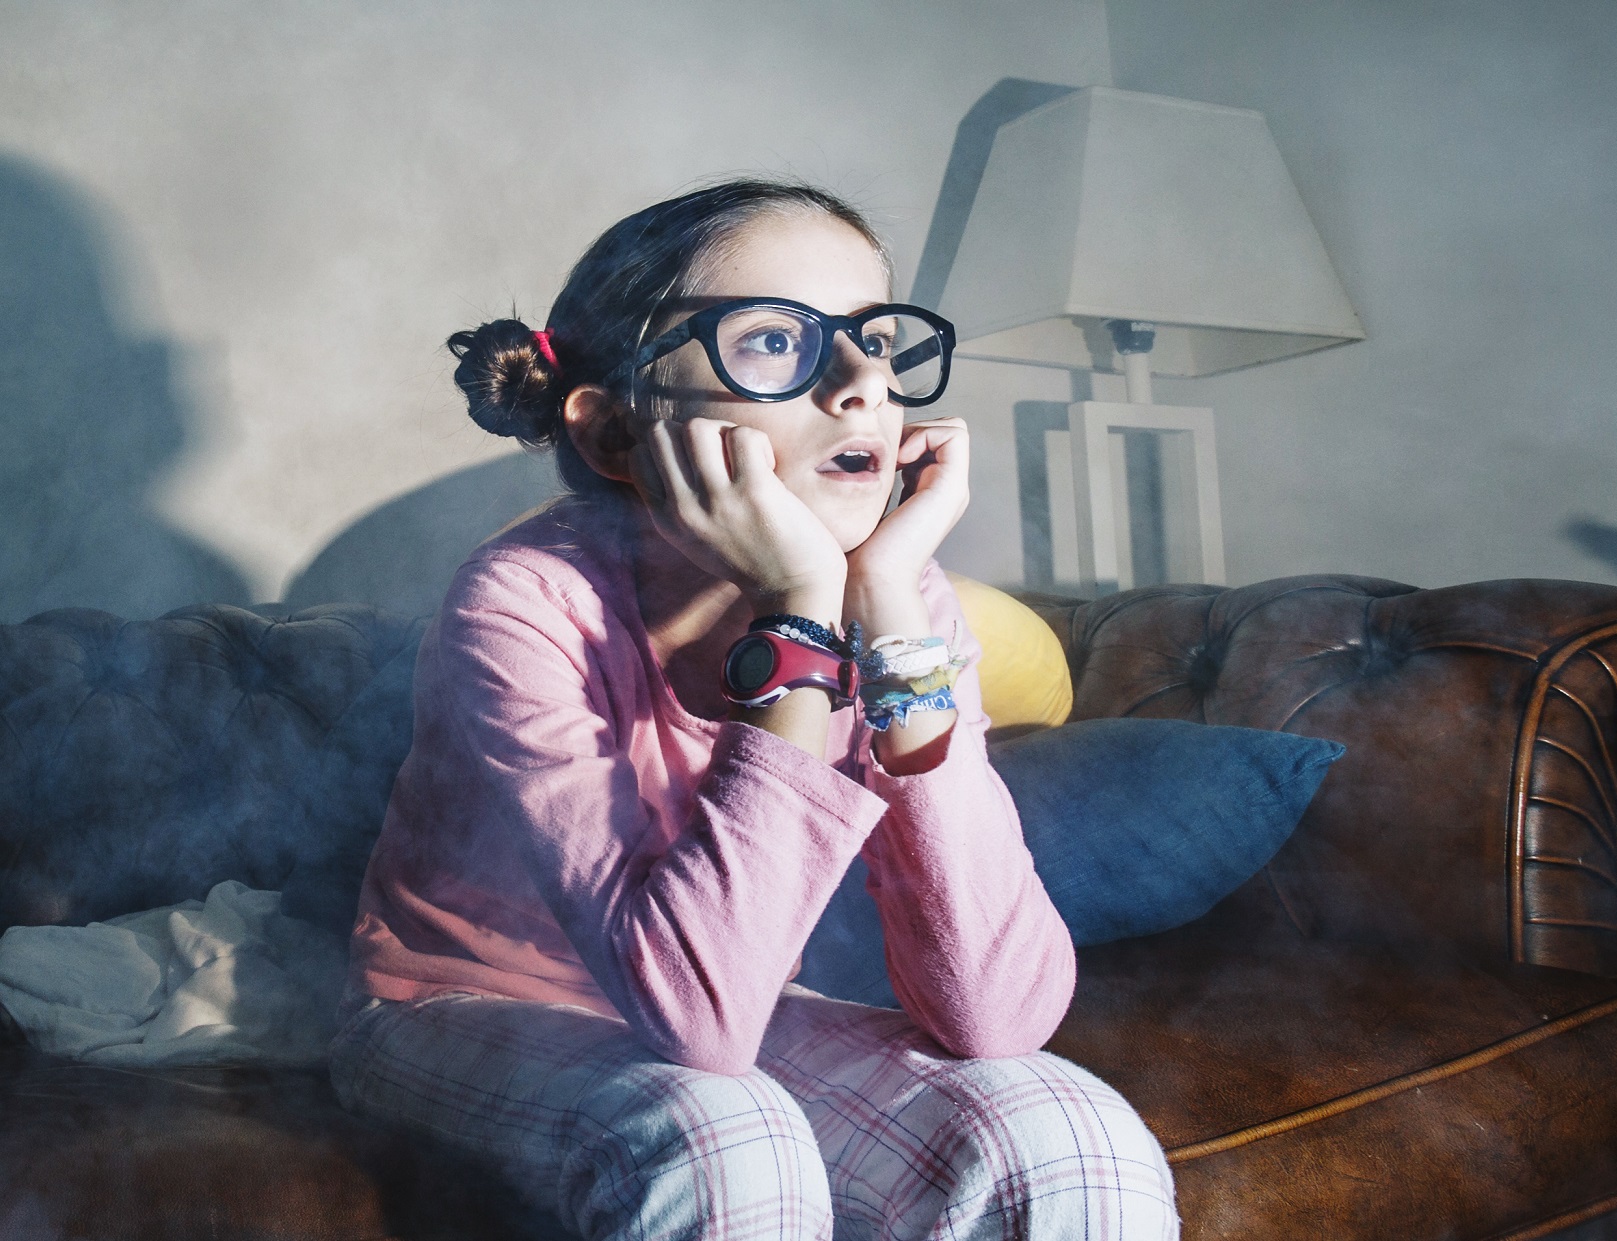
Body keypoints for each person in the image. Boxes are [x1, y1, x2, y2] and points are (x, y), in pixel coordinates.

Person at [329, 178, 1177, 1240]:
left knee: (1069, 1128)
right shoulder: (522, 600)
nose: (864, 383)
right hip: (461, 1006)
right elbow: (700, 1019)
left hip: (724, 993)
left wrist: (888, 604)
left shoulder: (902, 604)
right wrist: (799, 611)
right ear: (616, 435)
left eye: (877, 340)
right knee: (723, 1135)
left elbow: (996, 1012)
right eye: (776, 340)